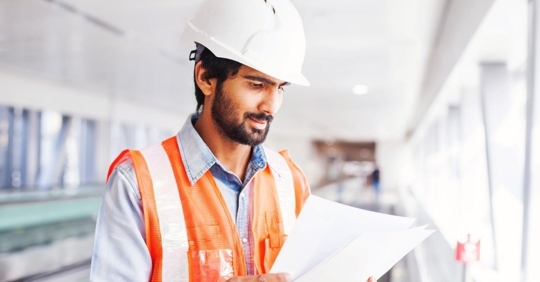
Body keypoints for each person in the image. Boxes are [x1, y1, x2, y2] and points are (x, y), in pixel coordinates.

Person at [90, 0, 376, 281]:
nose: (271, 105)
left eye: (280, 88)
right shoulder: (137, 184)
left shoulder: (290, 180)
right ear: (205, 78)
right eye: (256, 84)